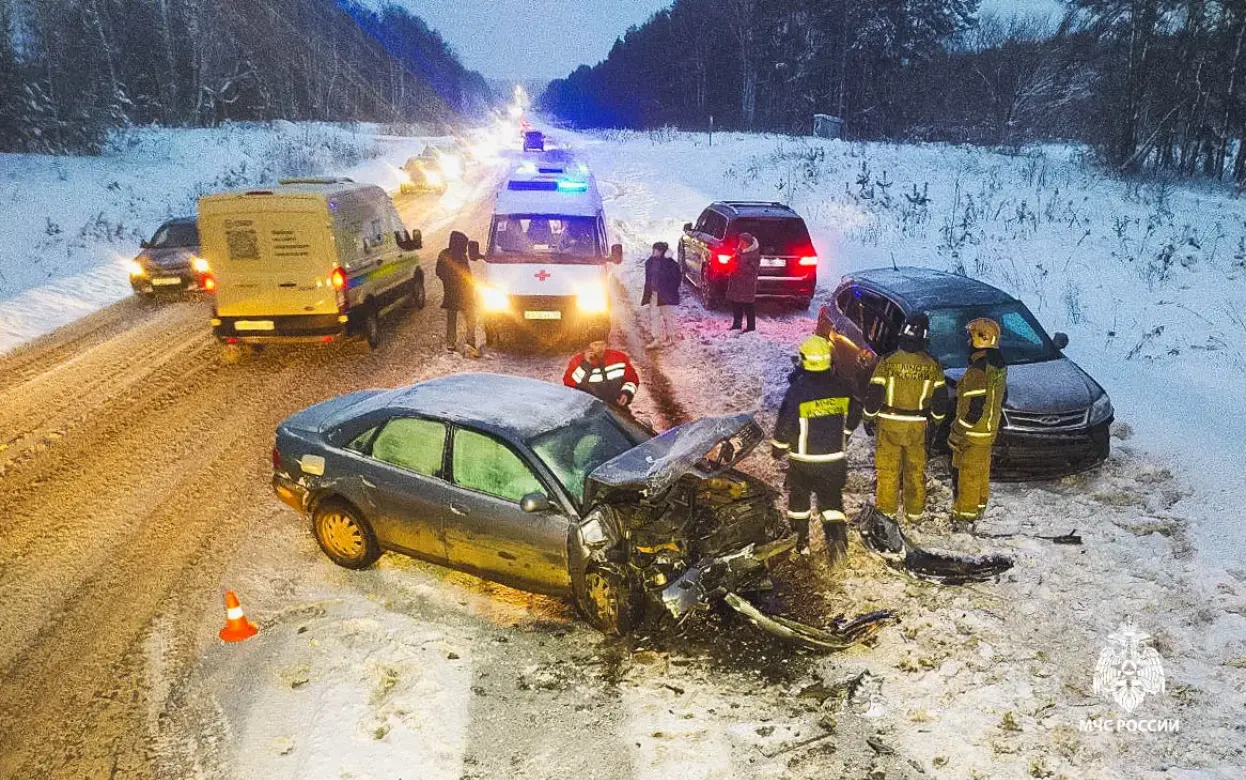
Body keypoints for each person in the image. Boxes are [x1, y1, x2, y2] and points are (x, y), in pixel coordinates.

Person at [771, 335, 862, 563]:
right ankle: (837, 540)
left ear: (804, 360)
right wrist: (846, 434)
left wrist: (778, 448)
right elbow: (855, 412)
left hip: (803, 461)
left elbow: (785, 423)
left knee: (799, 502)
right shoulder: (843, 386)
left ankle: (801, 544)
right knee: (831, 500)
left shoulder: (798, 391)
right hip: (834, 460)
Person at [863, 312, 948, 525]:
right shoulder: (933, 364)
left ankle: (887, 513)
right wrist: (936, 423)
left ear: (903, 333)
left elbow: (875, 392)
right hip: (917, 428)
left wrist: (868, 417)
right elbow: (940, 401)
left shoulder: (888, 360)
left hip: (889, 423)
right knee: (915, 469)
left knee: (888, 470)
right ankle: (914, 513)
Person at [949, 318, 1007, 526]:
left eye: (970, 337)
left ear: (980, 340)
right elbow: (999, 395)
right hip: (988, 430)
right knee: (981, 473)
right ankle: (979, 508)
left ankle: (965, 518)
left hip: (974, 433)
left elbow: (973, 410)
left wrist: (956, 433)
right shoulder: (997, 364)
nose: (967, 342)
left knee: (969, 476)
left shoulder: (977, 370)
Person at [435, 230, 478, 357]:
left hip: (451, 293)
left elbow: (439, 272)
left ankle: (451, 344)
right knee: (470, 318)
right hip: (464, 294)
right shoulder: (460, 256)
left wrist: (448, 282)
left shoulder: (444, 254)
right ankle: (470, 342)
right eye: (464, 245)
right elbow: (466, 274)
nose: (465, 248)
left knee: (452, 320)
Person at [563, 339, 640, 409]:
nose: (600, 348)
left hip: (617, 407)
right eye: (596, 344)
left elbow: (632, 380)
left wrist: (626, 393)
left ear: (606, 344)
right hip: (588, 408)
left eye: (602, 344)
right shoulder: (578, 360)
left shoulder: (619, 357)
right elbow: (570, 385)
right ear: (589, 345)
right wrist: (586, 364)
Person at [640, 241, 680, 348]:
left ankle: (670, 337)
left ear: (661, 251)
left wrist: (670, 290)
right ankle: (656, 338)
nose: (654, 252)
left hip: (664, 294)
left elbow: (676, 278)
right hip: (654, 294)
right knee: (654, 316)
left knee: (667, 316)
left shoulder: (669, 263)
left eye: (656, 250)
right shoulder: (651, 262)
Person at [727, 231, 761, 332]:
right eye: (740, 242)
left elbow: (752, 269)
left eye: (743, 242)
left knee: (748, 305)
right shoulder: (739, 251)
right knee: (735, 303)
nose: (741, 244)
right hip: (737, 282)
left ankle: (751, 327)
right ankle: (737, 323)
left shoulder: (753, 254)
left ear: (748, 243)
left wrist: (738, 263)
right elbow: (734, 262)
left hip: (747, 284)